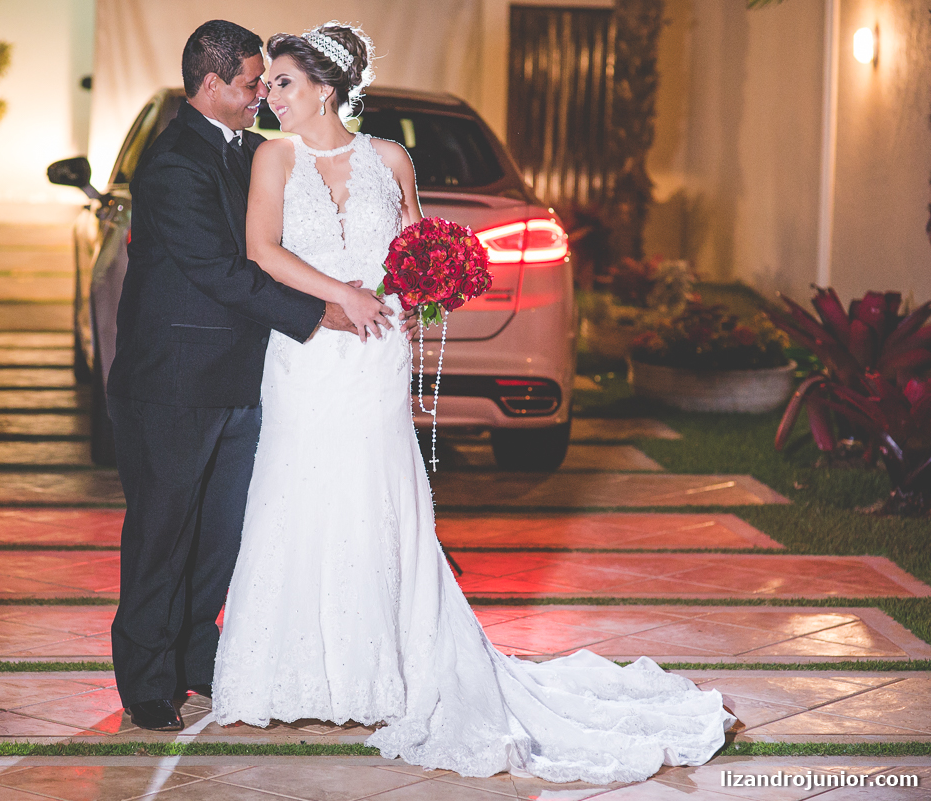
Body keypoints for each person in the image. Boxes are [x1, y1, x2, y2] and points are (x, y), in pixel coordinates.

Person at [211, 22, 736, 782]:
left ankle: (383, 669)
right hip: (305, 358)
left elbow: (414, 244)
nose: (269, 96)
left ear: (324, 88)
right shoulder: (271, 157)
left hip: (376, 356)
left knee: (377, 494)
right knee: (297, 490)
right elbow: (263, 251)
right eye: (266, 86)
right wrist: (342, 296)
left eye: (282, 83)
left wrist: (433, 276)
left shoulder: (390, 158)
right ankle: (288, 673)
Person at [105, 19, 397, 733]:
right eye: (248, 85)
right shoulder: (174, 162)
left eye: (266, 82)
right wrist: (322, 312)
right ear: (210, 86)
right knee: (161, 534)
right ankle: (146, 680)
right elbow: (221, 269)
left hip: (246, 379)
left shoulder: (258, 152)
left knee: (219, 535)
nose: (259, 95)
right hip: (173, 383)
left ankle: (197, 661)